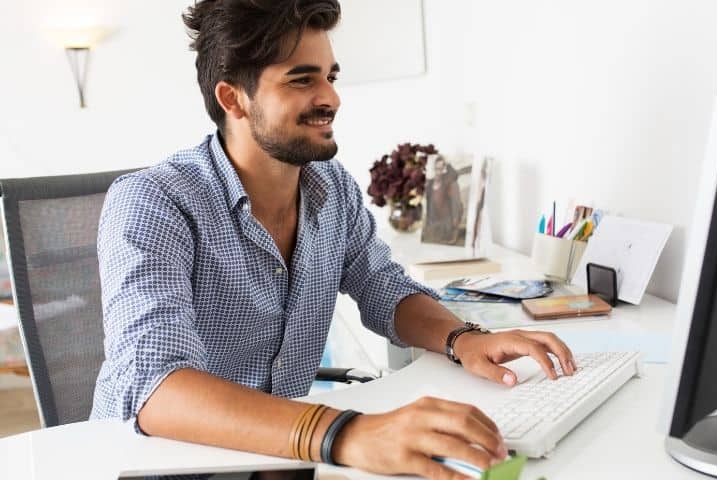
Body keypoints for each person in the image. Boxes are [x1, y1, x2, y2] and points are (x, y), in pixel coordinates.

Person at [90, 1, 577, 478]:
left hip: (280, 459)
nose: (332, 98)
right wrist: (348, 434)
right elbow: (155, 388)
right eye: (302, 79)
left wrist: (464, 339)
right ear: (232, 98)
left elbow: (383, 286)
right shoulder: (153, 202)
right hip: (156, 466)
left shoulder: (331, 186)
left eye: (331, 77)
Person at [422, 157, 464, 245]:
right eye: (437, 169)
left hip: (446, 221)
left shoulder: (446, 181)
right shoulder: (429, 183)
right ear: (434, 168)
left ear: (444, 169)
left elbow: (454, 175)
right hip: (434, 221)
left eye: (441, 169)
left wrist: (447, 164)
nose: (438, 172)